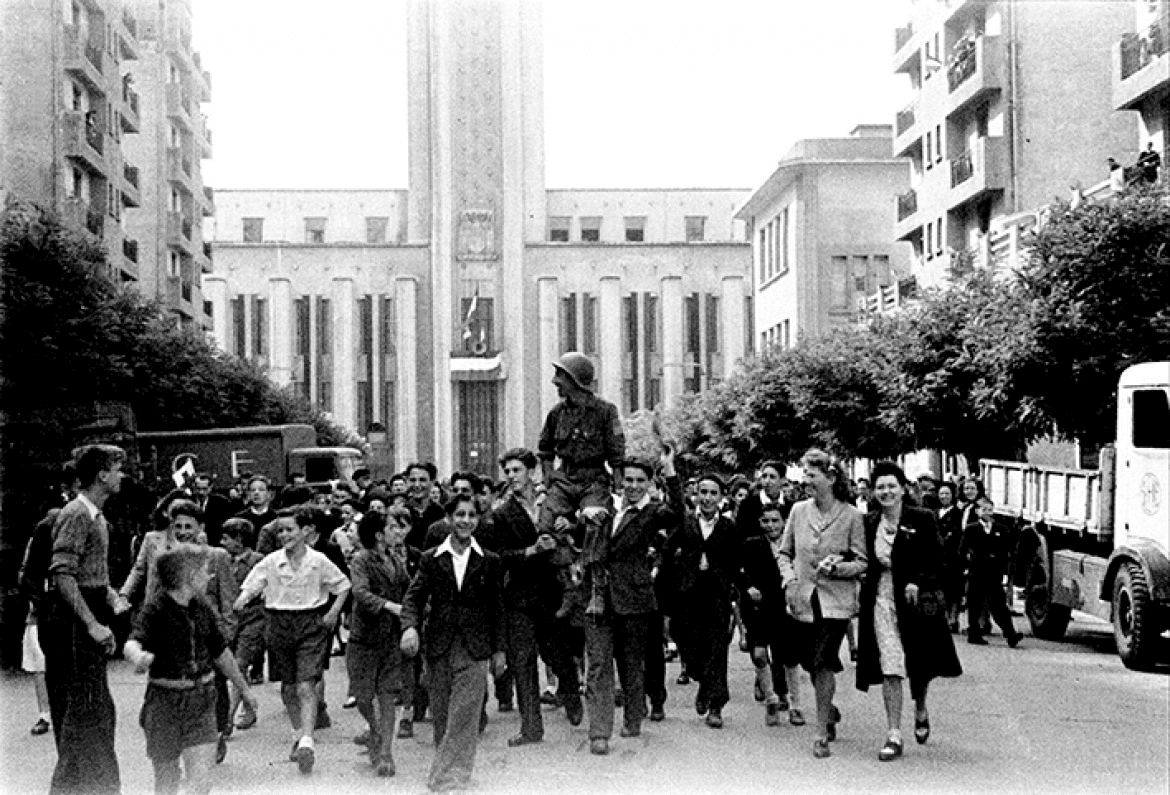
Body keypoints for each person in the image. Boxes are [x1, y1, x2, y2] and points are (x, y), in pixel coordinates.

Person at [124, 544, 258, 795]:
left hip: (201, 700)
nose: (210, 577)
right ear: (188, 576)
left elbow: (221, 653)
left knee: (202, 783)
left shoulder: (202, 608)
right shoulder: (156, 608)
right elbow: (132, 641)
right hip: (164, 702)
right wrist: (138, 657)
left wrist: (245, 690)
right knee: (167, 779)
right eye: (205, 571)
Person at [476, 447, 584, 747]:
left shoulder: (552, 502)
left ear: (531, 472)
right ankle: (531, 729)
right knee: (522, 661)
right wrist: (530, 551)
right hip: (520, 596)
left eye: (516, 470)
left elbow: (579, 534)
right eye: (507, 471)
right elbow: (497, 557)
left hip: (553, 592)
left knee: (557, 654)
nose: (511, 477)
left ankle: (571, 692)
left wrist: (569, 526)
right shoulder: (501, 513)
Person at [856, 462, 962, 762]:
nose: (886, 492)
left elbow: (939, 560)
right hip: (881, 600)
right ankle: (893, 734)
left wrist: (918, 580)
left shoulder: (923, 518)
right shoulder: (869, 522)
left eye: (891, 486)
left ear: (903, 488)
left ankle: (920, 706)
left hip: (915, 603)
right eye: (880, 487)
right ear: (874, 492)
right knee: (891, 664)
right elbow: (860, 555)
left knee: (920, 665)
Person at [400, 494, 507, 792]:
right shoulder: (431, 558)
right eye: (460, 514)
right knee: (443, 716)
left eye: (472, 515)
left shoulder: (490, 561)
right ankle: (450, 771)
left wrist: (500, 650)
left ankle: (449, 777)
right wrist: (409, 627)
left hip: (475, 647)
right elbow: (413, 598)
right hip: (439, 646)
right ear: (448, 519)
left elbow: (498, 608)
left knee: (465, 714)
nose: (466, 521)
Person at [234, 507, 351, 774]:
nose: (284, 535)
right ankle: (298, 733)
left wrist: (333, 612)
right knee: (287, 686)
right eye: (280, 530)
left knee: (306, 684)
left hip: (310, 623)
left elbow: (343, 585)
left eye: (290, 529)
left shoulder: (318, 560)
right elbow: (253, 584)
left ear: (304, 532)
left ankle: (308, 741)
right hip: (278, 624)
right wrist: (242, 600)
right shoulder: (271, 561)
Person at [42, 444, 129, 795]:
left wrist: (109, 593)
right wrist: (92, 623)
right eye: (118, 469)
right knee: (86, 712)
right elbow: (62, 573)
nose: (122, 476)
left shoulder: (95, 514)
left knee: (93, 710)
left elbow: (87, 571)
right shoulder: (78, 513)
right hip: (74, 622)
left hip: (90, 607)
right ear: (102, 474)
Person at [584, 448, 681, 756]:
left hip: (636, 598)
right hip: (600, 596)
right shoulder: (607, 508)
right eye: (629, 479)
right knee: (599, 664)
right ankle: (599, 731)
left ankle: (633, 716)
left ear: (650, 482)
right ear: (620, 480)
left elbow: (678, 512)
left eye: (640, 480)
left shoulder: (653, 512)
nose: (634, 486)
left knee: (631, 663)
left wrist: (670, 471)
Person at [777, 448, 867, 760]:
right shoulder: (798, 511)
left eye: (811, 476)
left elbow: (862, 562)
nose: (805, 482)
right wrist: (788, 580)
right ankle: (827, 707)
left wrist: (838, 568)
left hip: (836, 602)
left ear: (830, 478)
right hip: (802, 599)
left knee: (822, 660)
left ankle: (819, 733)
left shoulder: (853, 516)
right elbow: (784, 553)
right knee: (807, 660)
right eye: (804, 476)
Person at [537, 351, 626, 615]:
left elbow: (617, 455)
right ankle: (569, 588)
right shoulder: (556, 414)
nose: (555, 381)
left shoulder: (605, 412)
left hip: (593, 479)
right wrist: (548, 477)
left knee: (595, 523)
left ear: (575, 380)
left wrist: (619, 489)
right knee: (545, 523)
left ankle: (596, 589)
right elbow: (545, 450)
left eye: (560, 376)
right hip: (564, 478)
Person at [661, 473, 739, 729]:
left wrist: (735, 587)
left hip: (716, 595)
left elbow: (736, 563)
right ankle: (703, 682)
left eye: (713, 493)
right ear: (696, 495)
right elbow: (667, 552)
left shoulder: (728, 527)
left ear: (721, 498)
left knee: (717, 650)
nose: (707, 498)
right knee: (689, 647)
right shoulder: (685, 523)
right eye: (702, 492)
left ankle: (716, 705)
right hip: (688, 594)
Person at [347, 513, 411, 777]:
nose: (397, 531)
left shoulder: (396, 560)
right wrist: (390, 606)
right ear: (378, 534)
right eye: (392, 527)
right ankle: (375, 730)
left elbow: (409, 589)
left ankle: (385, 753)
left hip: (390, 638)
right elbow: (359, 592)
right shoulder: (361, 559)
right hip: (363, 638)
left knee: (386, 695)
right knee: (362, 698)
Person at [740, 502, 805, 728]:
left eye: (775, 520)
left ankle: (796, 705)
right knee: (759, 654)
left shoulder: (794, 546)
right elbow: (741, 571)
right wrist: (748, 587)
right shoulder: (752, 544)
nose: (770, 526)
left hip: (785, 606)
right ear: (759, 523)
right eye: (765, 521)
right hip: (759, 607)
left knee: (789, 657)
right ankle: (771, 698)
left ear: (784, 522)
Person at [219, 518, 265, 731]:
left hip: (253, 619)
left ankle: (228, 716)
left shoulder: (258, 561)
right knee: (235, 667)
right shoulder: (222, 560)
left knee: (239, 663)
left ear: (239, 540)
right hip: (229, 621)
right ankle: (249, 706)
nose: (221, 542)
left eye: (226, 538)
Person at [961, 496, 1024, 647]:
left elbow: (1006, 550)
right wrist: (965, 567)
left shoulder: (1001, 529)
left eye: (990, 509)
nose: (988, 513)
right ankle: (974, 632)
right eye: (984, 509)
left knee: (998, 604)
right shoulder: (972, 529)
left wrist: (1005, 570)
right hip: (976, 571)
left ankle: (1010, 633)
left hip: (993, 573)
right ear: (977, 511)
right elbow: (963, 550)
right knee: (974, 603)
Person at [935, 482, 965, 632]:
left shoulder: (958, 513)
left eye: (947, 493)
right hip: (938, 557)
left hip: (953, 556)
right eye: (941, 494)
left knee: (955, 590)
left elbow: (957, 533)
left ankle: (954, 619)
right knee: (942, 589)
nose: (944, 496)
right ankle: (945, 617)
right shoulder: (934, 513)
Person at [237, 476, 280, 554]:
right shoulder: (240, 518)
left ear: (269, 493)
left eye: (261, 490)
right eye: (253, 490)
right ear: (248, 494)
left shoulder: (276, 517)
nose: (256, 493)